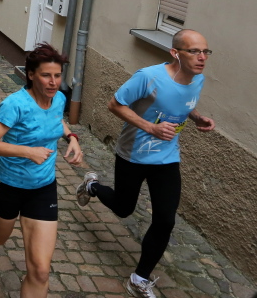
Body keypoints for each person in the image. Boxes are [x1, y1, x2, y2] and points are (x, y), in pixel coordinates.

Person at [76, 29, 215, 298]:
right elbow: (115, 104)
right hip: (133, 153)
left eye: (205, 51)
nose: (202, 57)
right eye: (194, 51)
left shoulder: (198, 79)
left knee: (165, 219)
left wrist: (197, 117)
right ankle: (92, 186)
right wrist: (150, 128)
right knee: (123, 208)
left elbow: (185, 103)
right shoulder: (149, 77)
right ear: (175, 53)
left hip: (167, 157)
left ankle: (139, 279)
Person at [0, 43, 82, 298]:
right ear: (31, 75)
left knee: (40, 271)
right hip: (7, 185)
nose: (53, 82)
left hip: (42, 188)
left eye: (57, 75)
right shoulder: (15, 104)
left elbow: (57, 120)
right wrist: (28, 152)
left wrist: (71, 137)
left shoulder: (59, 99)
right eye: (46, 75)